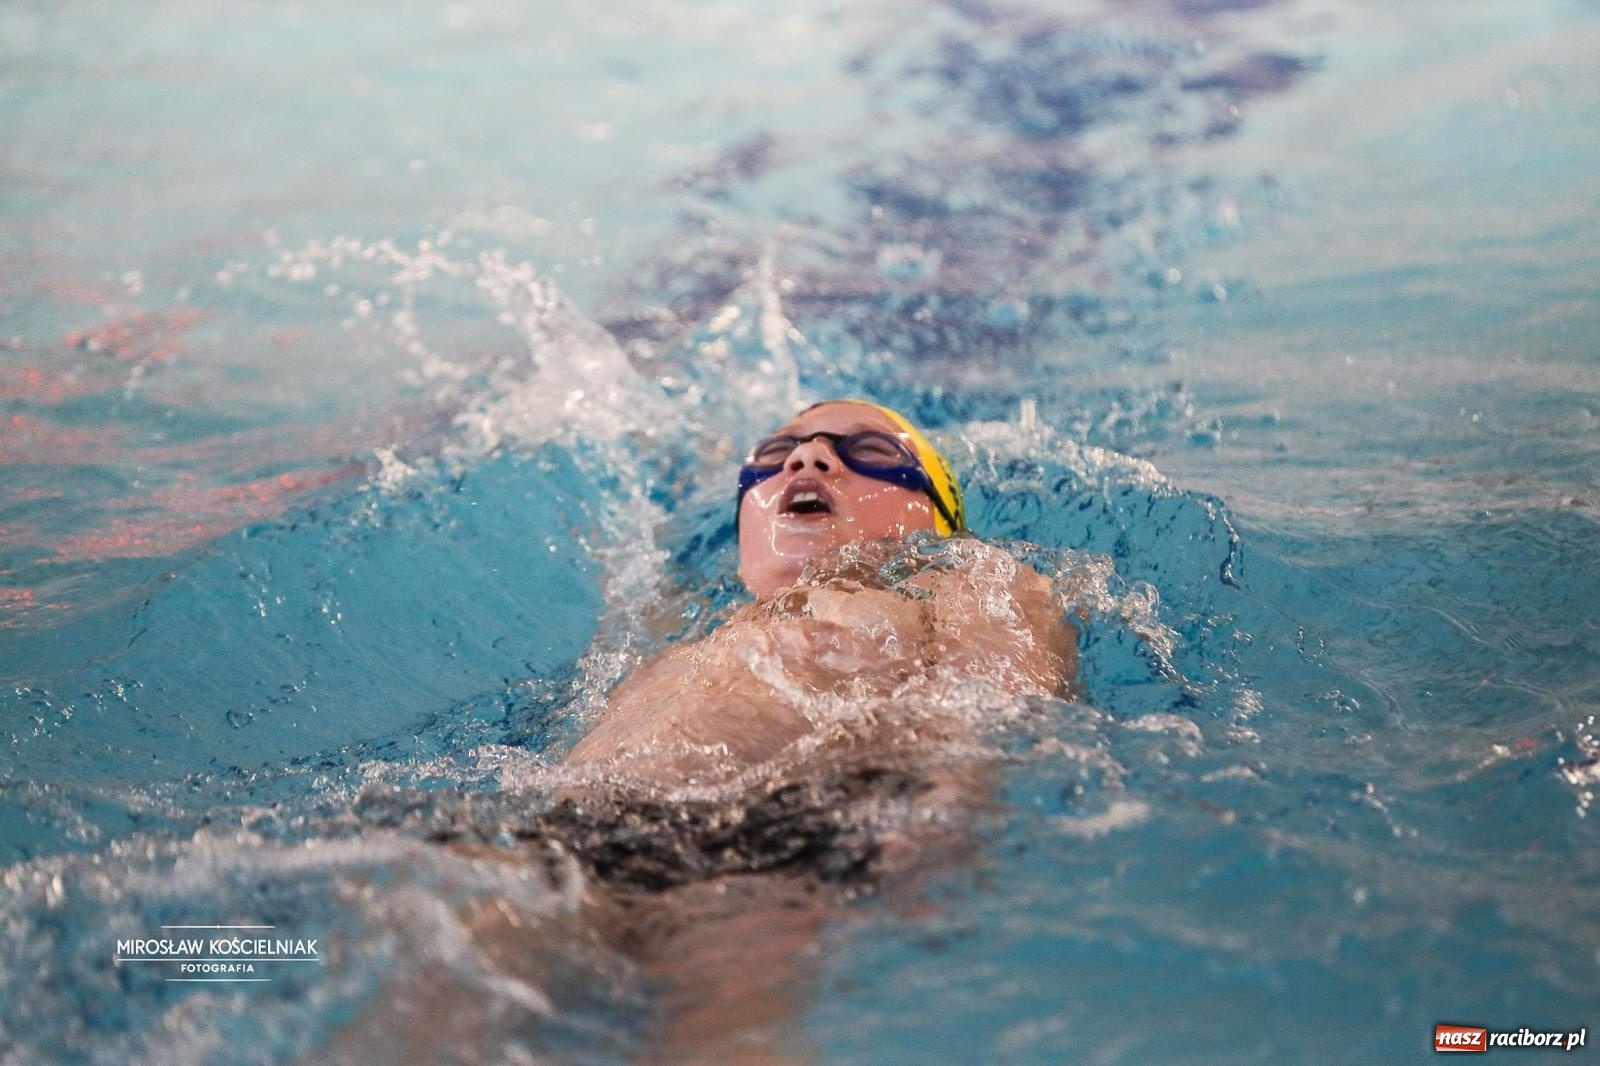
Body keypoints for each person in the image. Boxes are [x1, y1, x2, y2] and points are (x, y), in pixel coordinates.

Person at [561, 398, 1079, 791]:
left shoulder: (972, 583)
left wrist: (929, 826)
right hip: (560, 830)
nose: (808, 456)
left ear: (939, 520)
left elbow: (997, 721)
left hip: (783, 839)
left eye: (873, 451)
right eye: (776, 451)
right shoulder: (675, 645)